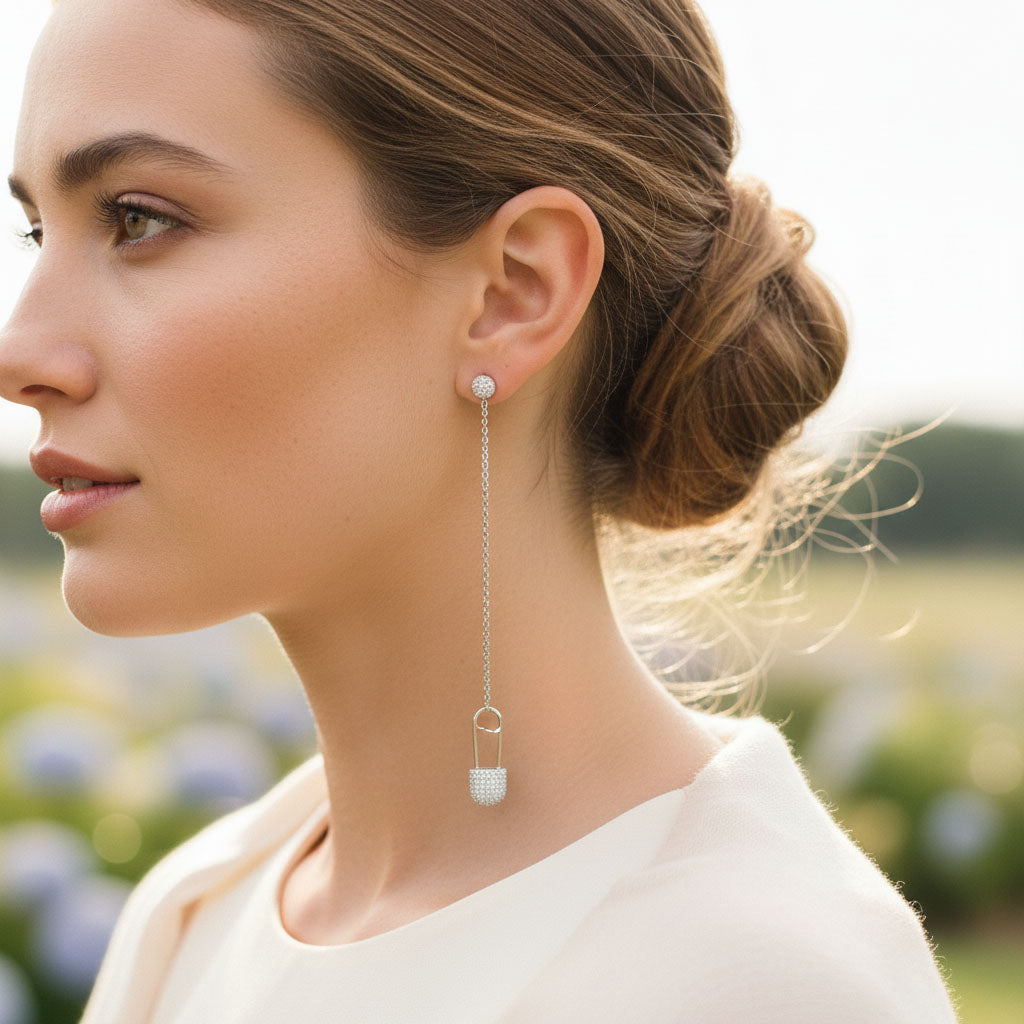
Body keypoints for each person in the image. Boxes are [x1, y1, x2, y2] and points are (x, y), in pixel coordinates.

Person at [0, 0, 959, 1020]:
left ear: (513, 291)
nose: (21, 354)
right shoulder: (196, 912)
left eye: (139, 219)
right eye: (35, 230)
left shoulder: (761, 983)